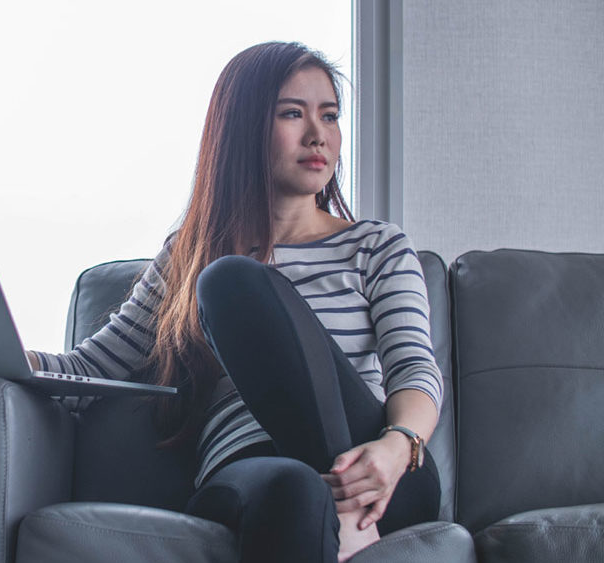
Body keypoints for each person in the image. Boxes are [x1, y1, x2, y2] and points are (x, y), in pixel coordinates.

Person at [26, 41, 441, 563]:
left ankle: (346, 505)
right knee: (294, 485)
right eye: (293, 113)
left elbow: (414, 370)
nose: (319, 135)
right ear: (243, 129)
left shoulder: (377, 246)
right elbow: (87, 371)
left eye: (330, 116)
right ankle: (338, 517)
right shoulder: (190, 254)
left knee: (231, 282)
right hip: (251, 467)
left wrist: (397, 445)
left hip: (382, 472)